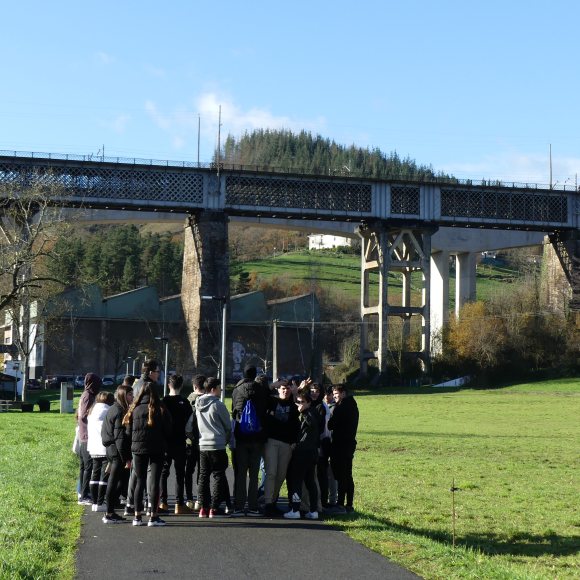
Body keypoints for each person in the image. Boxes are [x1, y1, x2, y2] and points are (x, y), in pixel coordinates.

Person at [123, 381, 172, 527]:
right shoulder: (161, 409)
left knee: (139, 480)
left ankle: (137, 516)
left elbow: (127, 432)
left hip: (138, 449)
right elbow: (168, 430)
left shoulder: (134, 409)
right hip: (157, 448)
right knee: (154, 482)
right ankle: (153, 515)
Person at [230, 364, 270, 516]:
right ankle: (253, 506)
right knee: (254, 474)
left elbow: (234, 412)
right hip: (257, 437)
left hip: (241, 436)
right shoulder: (261, 390)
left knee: (241, 473)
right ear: (255, 375)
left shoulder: (236, 390)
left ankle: (239, 506)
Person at [124, 360, 162, 515]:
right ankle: (149, 506)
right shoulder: (149, 387)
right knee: (148, 475)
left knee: (137, 474)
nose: (159, 375)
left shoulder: (136, 384)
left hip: (136, 438)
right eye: (157, 371)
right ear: (151, 372)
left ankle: (131, 506)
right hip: (150, 437)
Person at [195, 377, 232, 518]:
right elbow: (228, 426)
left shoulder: (198, 404)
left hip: (203, 445)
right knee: (218, 475)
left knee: (203, 476)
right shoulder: (218, 405)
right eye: (219, 387)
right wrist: (226, 440)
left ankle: (203, 507)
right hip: (217, 444)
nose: (221, 390)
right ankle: (214, 508)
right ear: (213, 389)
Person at [263, 379, 299, 517]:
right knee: (271, 472)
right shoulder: (271, 401)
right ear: (278, 389)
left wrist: (296, 393)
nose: (285, 391)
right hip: (271, 441)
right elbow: (261, 394)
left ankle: (273, 501)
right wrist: (272, 385)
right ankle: (268, 503)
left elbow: (298, 420)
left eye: (287, 388)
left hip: (287, 443)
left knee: (281, 475)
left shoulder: (294, 404)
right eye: (282, 388)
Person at [284, 389, 320, 520]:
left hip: (303, 453)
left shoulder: (309, 414)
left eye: (302, 402)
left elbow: (312, 424)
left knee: (297, 482)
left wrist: (303, 412)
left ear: (309, 402)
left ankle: (295, 509)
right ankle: (314, 510)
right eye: (297, 402)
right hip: (311, 453)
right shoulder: (314, 412)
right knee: (310, 482)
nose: (299, 404)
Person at [160, 374, 193, 514]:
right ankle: (179, 504)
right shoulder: (185, 403)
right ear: (181, 386)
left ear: (169, 385)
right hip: (180, 441)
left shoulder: (163, 402)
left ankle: (163, 502)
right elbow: (190, 423)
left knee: (163, 472)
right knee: (180, 473)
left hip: (166, 441)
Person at [101, 383, 133, 523]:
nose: (132, 397)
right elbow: (119, 437)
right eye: (130, 394)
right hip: (116, 451)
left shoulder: (113, 408)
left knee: (116, 481)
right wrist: (125, 457)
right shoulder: (120, 411)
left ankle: (111, 511)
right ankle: (109, 513)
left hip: (111, 449)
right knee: (113, 482)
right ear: (123, 395)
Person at [328, 384, 359, 514]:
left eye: (336, 394)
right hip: (350, 444)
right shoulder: (354, 406)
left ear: (344, 393)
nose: (335, 397)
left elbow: (330, 425)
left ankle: (340, 504)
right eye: (334, 394)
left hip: (340, 445)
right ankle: (349, 504)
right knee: (348, 475)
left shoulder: (340, 408)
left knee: (340, 476)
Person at [77, 373, 102, 504]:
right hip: (87, 436)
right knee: (88, 466)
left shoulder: (88, 395)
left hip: (84, 435)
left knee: (84, 466)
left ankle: (82, 492)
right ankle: (84, 495)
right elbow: (82, 415)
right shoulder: (88, 396)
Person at [87, 391, 114, 512]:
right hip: (104, 448)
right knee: (104, 476)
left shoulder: (92, 411)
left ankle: (94, 502)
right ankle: (100, 502)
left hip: (93, 447)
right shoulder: (108, 411)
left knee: (95, 474)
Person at [185, 374, 206, 509]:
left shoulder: (188, 400)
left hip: (190, 440)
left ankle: (189, 498)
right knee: (202, 471)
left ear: (194, 386)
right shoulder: (207, 401)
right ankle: (201, 498)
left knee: (189, 470)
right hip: (204, 439)